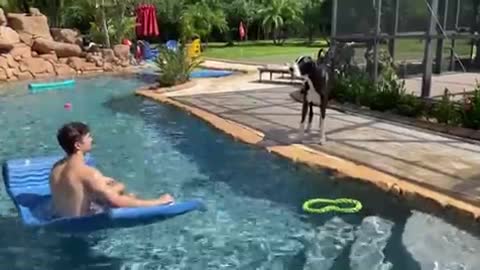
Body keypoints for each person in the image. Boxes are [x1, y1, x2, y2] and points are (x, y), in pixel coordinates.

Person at [49, 122, 174, 218]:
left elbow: (73, 187)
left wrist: (102, 182)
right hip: (84, 231)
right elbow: (117, 203)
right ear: (78, 145)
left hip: (61, 222)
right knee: (128, 194)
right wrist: (159, 202)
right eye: (89, 137)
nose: (92, 139)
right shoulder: (88, 173)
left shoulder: (56, 168)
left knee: (117, 186)